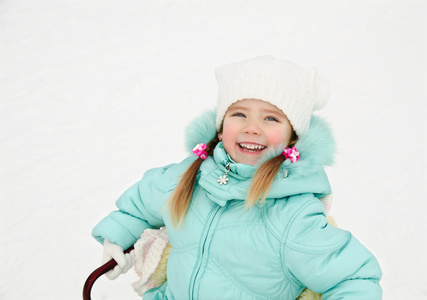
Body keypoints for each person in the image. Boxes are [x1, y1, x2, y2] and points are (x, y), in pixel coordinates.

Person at [92, 55, 382, 299]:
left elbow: (354, 278)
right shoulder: (188, 177)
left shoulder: (292, 214)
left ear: (293, 138)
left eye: (271, 118)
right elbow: (141, 204)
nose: (252, 128)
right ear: (220, 127)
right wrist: (116, 239)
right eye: (239, 114)